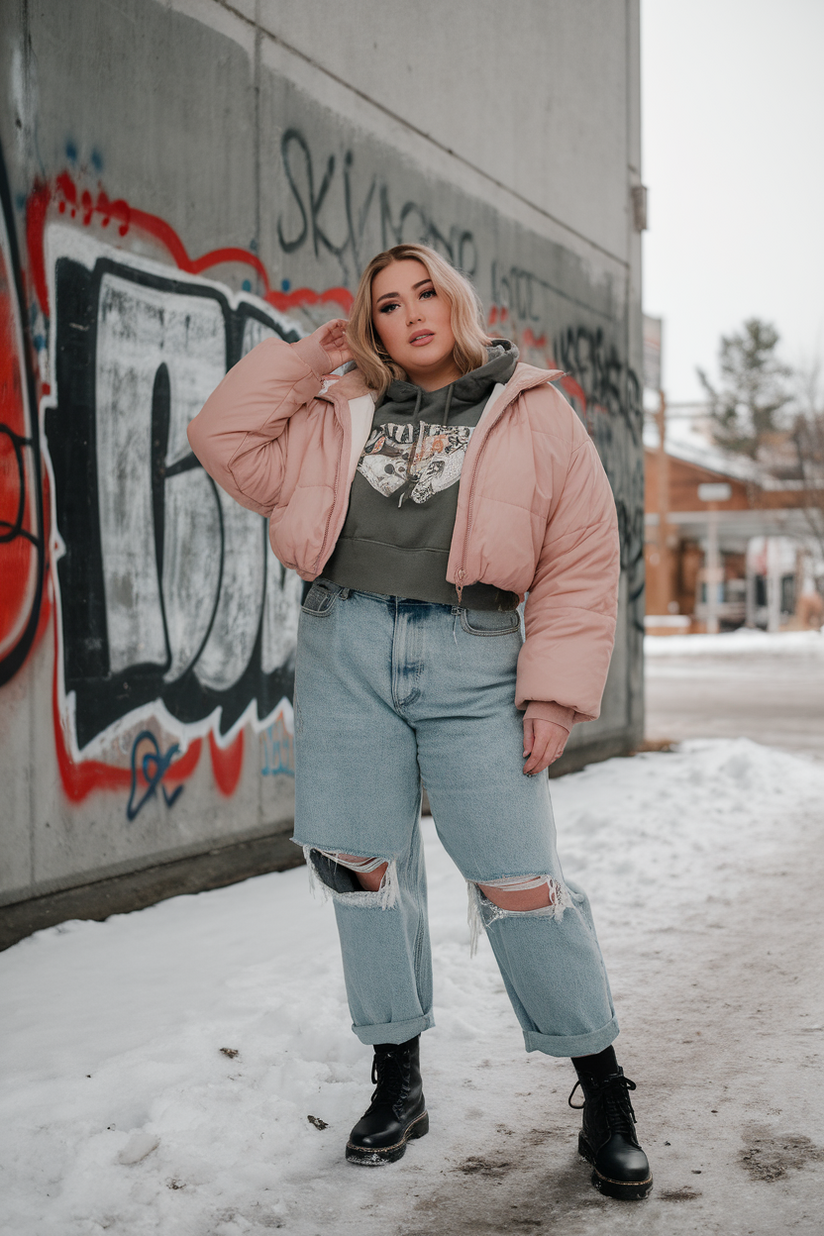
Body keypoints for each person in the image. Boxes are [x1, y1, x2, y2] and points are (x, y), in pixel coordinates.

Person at [187, 244, 652, 1201]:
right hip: (343, 644)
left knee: (520, 878)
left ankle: (601, 1084)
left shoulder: (533, 409)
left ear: (457, 299)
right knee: (361, 869)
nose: (410, 313)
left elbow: (577, 557)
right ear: (374, 325)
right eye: (387, 304)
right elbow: (222, 440)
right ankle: (397, 1076)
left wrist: (555, 692)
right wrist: (309, 358)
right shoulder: (336, 408)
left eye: (424, 291)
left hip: (475, 654)